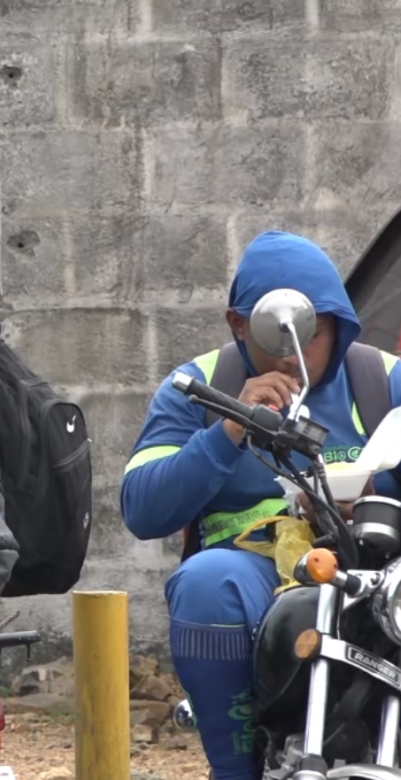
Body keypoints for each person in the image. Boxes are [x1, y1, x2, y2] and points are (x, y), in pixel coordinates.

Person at [120, 230, 401, 780]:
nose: (293, 351)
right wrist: (227, 428)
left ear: (339, 324)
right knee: (206, 582)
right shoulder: (198, 385)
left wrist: (373, 505)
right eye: (276, 332)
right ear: (239, 324)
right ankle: (237, 768)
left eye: (312, 330)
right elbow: (143, 507)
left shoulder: (383, 380)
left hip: (378, 575)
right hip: (253, 575)